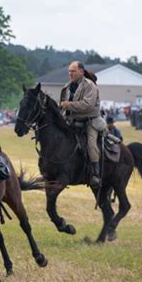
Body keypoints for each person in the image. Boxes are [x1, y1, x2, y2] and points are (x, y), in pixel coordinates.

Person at [60, 61, 102, 189]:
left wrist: (69, 105)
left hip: (90, 121)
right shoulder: (66, 87)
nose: (70, 74)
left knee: (91, 144)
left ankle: (95, 174)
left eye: (73, 71)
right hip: (72, 121)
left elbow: (87, 105)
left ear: (81, 72)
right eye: (69, 71)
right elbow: (61, 105)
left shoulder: (90, 86)